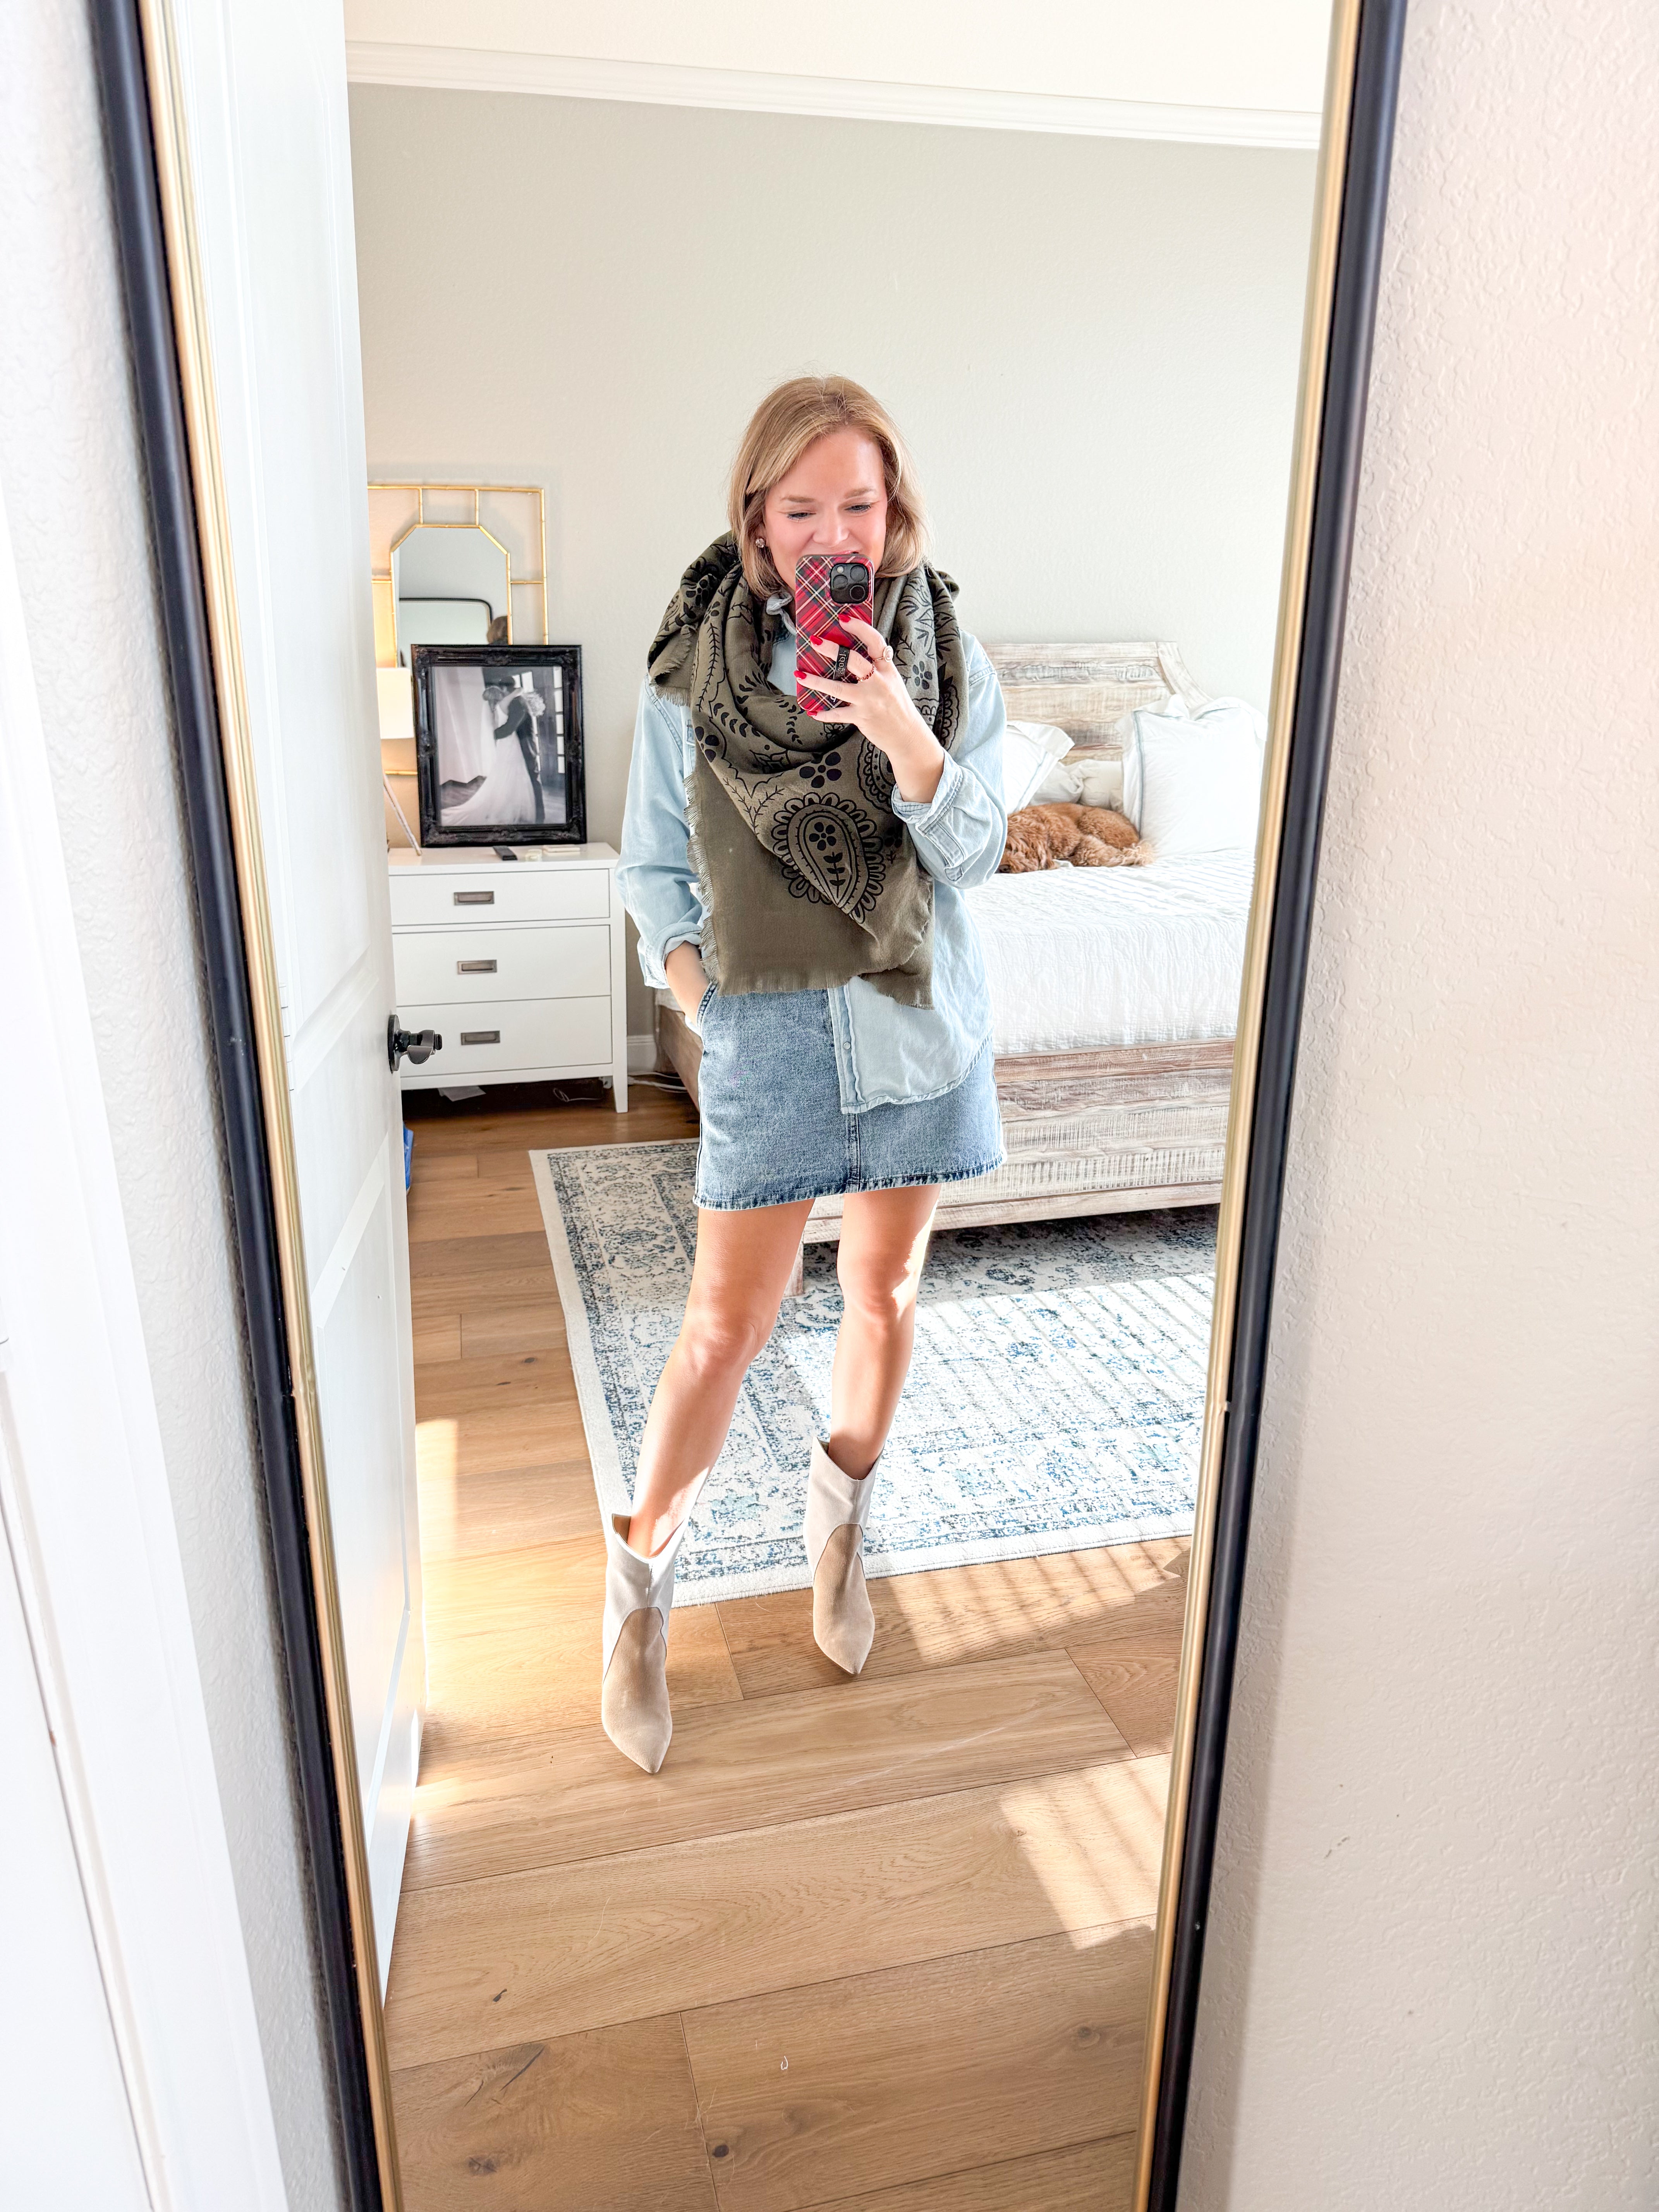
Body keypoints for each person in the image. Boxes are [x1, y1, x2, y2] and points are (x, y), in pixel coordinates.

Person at [608, 375, 1008, 1771]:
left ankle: (839, 1536)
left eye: (859, 503)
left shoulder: (945, 655)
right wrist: (701, 1002)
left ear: (893, 508)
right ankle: (638, 1595)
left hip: (913, 1025)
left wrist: (902, 731)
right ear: (757, 519)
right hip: (766, 1033)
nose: (834, 532)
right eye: (801, 510)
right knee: (723, 1330)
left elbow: (975, 857)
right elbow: (652, 866)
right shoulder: (690, 671)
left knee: (883, 1293)